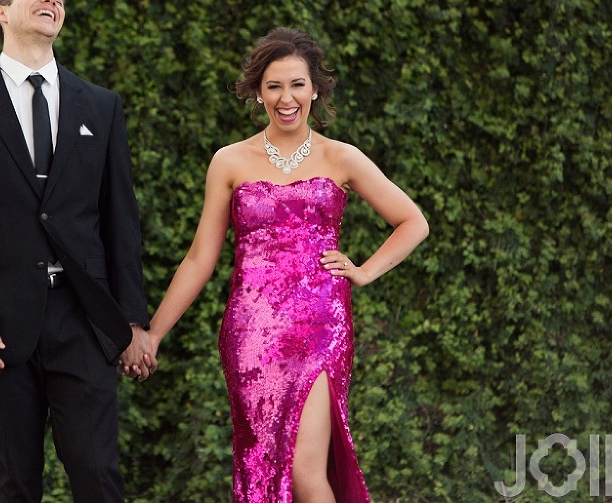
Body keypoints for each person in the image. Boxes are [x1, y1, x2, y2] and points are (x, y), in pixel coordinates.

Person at [145, 27, 429, 502]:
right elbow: (200, 257)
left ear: (315, 88)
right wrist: (153, 334)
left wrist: (364, 271)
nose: (286, 97)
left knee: (304, 472)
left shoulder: (342, 157)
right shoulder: (229, 161)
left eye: (297, 84)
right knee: (262, 465)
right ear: (258, 92)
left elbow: (412, 222)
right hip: (252, 330)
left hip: (322, 326)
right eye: (274, 85)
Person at [0, 0, 155, 502]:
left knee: (97, 473)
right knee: (8, 483)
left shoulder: (101, 105)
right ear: (2, 12)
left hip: (84, 318)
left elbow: (120, 221)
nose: (52, 0)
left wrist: (133, 318)